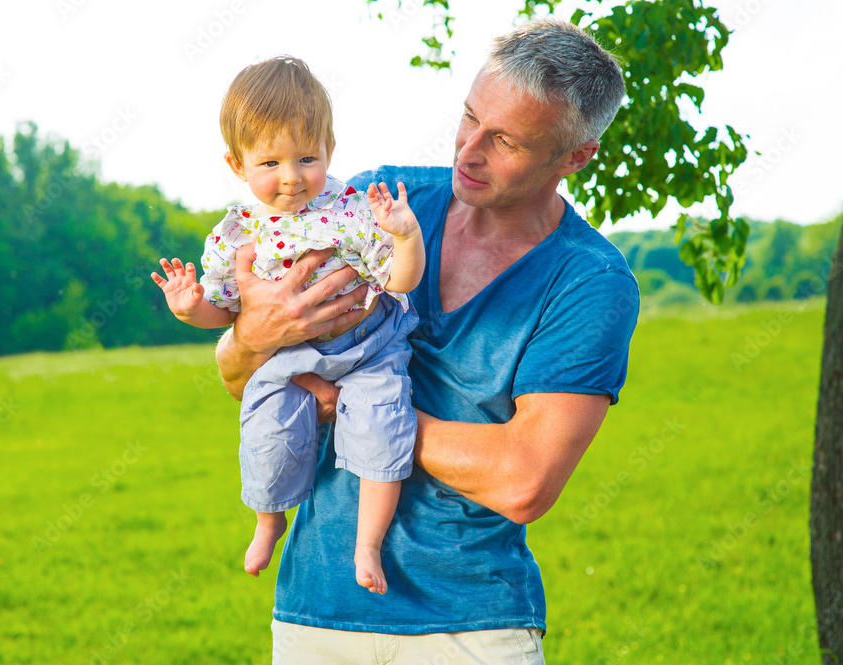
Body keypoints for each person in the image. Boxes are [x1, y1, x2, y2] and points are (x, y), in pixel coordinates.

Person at [214, 19, 640, 665]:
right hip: (314, 610)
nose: (469, 150)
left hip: (470, 625)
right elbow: (241, 373)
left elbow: (524, 479)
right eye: (469, 118)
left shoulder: (588, 281)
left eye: (504, 140)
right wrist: (253, 337)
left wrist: (362, 409)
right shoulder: (381, 200)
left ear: (575, 155)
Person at [151, 56, 426, 595]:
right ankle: (269, 520)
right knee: (268, 431)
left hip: (370, 348)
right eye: (270, 162)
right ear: (236, 164)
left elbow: (398, 281)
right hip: (291, 360)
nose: (291, 177)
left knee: (383, 425)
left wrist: (405, 235)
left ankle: (367, 545)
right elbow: (226, 314)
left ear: (330, 151)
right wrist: (189, 308)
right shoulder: (238, 233)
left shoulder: (353, 207)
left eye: (307, 157)